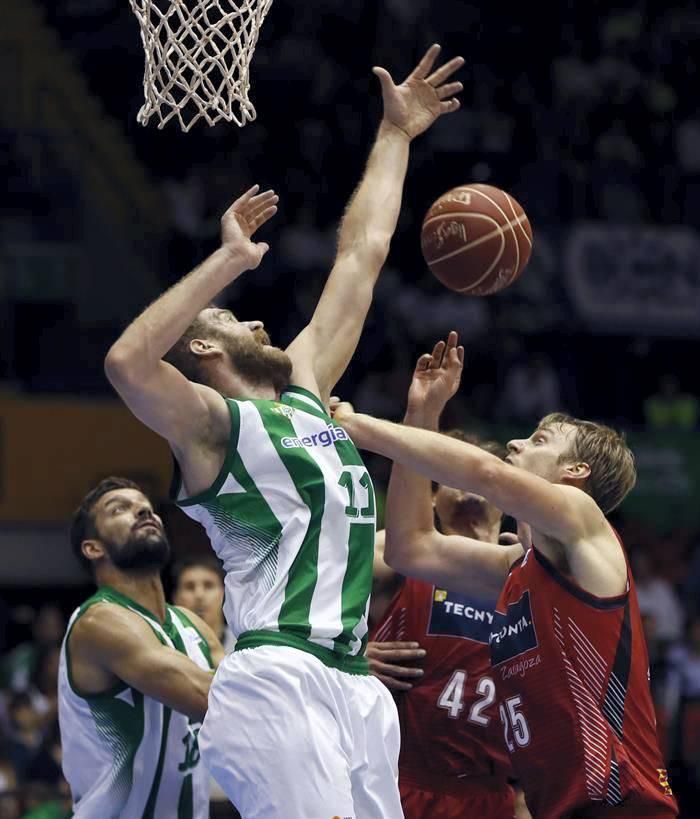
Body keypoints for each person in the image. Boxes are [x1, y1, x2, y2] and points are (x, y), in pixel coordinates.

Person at [104, 44, 464, 819]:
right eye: (236, 318)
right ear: (204, 348)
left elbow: (362, 256)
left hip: (354, 686)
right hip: (277, 677)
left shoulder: (304, 391)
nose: (260, 317)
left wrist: (397, 135)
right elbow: (129, 361)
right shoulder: (210, 428)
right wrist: (226, 262)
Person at [331, 332, 678, 819]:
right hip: (554, 805)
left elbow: (484, 474)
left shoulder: (583, 520)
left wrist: (356, 425)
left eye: (539, 441)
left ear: (575, 472)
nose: (514, 442)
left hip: (619, 804)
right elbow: (413, 547)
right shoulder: (519, 570)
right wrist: (421, 415)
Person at [365, 340, 522, 818]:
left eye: (477, 472)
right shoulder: (391, 553)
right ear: (428, 498)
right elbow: (298, 604)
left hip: (497, 791)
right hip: (402, 780)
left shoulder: (528, 567)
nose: (467, 482)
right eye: (450, 472)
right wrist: (343, 657)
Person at [58, 477, 224, 818]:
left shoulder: (191, 624)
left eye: (145, 506)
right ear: (93, 548)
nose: (143, 511)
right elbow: (215, 700)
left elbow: (248, 706)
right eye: (120, 509)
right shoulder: (99, 623)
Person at [172, 554, 236, 653]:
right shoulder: (168, 647)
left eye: (208, 586)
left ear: (225, 594)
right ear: (175, 598)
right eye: (189, 587)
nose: (199, 595)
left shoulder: (246, 646)